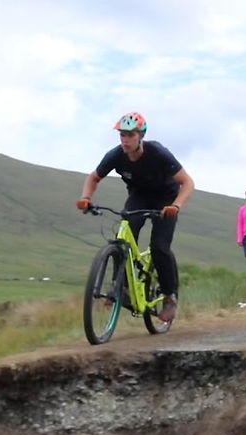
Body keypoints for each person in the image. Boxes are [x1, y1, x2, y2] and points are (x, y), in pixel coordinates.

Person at [77, 112, 195, 322]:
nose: (125, 140)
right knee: (123, 238)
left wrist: (176, 205)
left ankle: (170, 297)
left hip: (166, 199)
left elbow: (187, 182)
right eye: (122, 135)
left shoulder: (157, 152)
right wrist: (86, 197)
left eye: (130, 135)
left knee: (159, 247)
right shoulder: (115, 155)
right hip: (139, 197)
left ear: (140, 136)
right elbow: (94, 177)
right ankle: (121, 288)